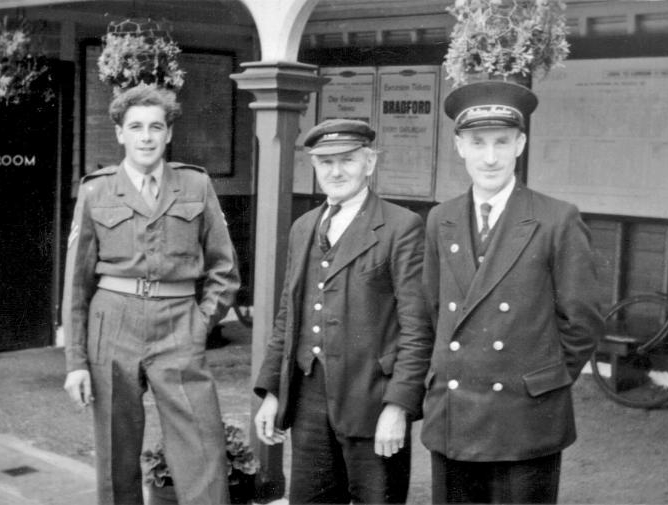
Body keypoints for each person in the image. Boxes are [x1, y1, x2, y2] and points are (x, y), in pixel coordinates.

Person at [421, 80, 603, 504]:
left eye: (501, 142)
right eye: (477, 142)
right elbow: (432, 310)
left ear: (520, 144)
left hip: (525, 418)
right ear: (459, 145)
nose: (490, 157)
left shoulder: (556, 219)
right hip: (455, 414)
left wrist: (540, 382)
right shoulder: (440, 219)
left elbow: (583, 320)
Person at [62, 83, 239, 505]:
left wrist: (200, 322)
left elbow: (224, 268)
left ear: (168, 133)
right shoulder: (96, 190)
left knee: (202, 447)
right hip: (112, 324)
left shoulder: (196, 186)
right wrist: (76, 362)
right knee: (115, 454)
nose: (146, 136)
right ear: (120, 133)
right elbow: (76, 284)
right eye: (136, 127)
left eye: (155, 127)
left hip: (179, 322)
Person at [253, 119, 432, 504]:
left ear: (370, 163)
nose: (336, 172)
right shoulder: (304, 227)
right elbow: (289, 315)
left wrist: (398, 406)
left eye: (347, 160)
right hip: (309, 401)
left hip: (372, 400)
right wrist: (272, 391)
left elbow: (417, 329)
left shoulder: (401, 227)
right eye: (325, 162)